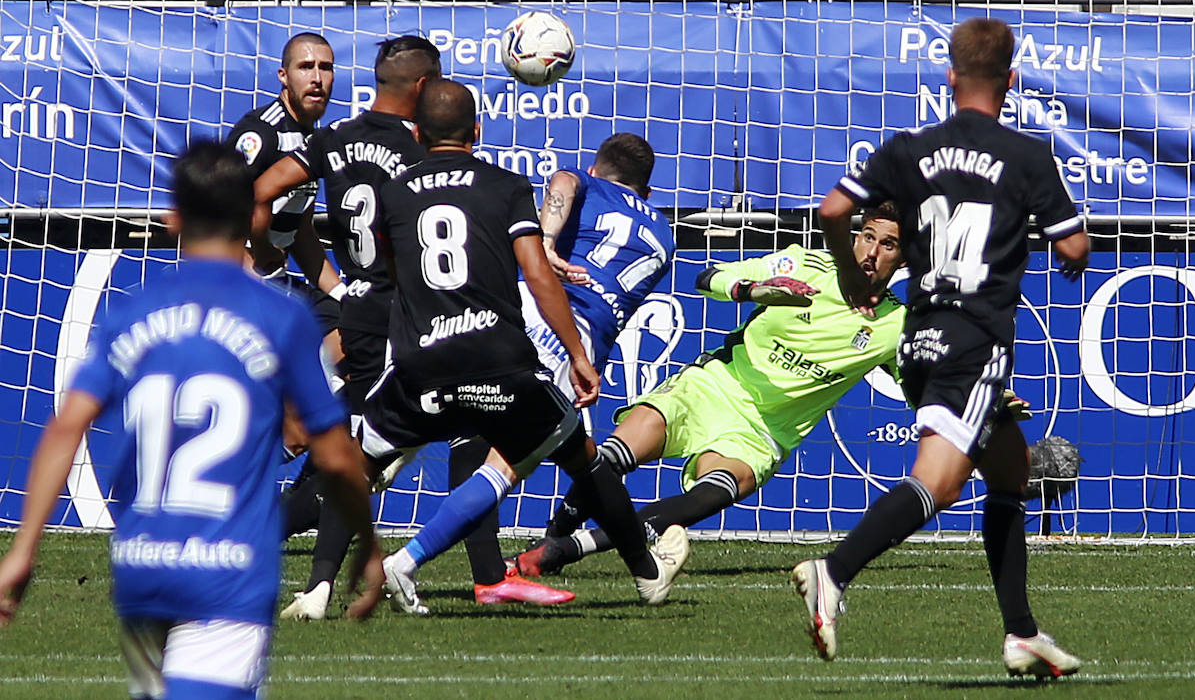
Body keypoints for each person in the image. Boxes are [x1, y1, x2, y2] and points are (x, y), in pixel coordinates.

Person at [0, 141, 383, 700]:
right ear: (253, 217)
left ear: (172, 218)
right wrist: (367, 543)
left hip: (140, 567)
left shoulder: (134, 309)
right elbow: (331, 450)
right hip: (228, 571)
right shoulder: (280, 315)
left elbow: (66, 426)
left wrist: (23, 550)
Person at [792, 17, 1090, 678]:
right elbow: (1073, 246)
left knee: (1009, 474)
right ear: (1011, 81)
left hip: (920, 338)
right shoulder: (1026, 156)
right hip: (975, 338)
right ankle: (832, 572)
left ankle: (1021, 633)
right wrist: (1055, 241)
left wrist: (850, 274)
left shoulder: (906, 150)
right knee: (940, 482)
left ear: (950, 79)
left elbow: (834, 210)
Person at [356, 79, 687, 615]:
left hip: (498, 323)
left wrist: (551, 237)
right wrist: (578, 350)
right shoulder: (664, 236)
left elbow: (562, 181)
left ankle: (645, 572)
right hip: (558, 334)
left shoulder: (582, 181)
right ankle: (415, 561)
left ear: (601, 169)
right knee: (518, 459)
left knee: (564, 454)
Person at [515, 204, 907, 577]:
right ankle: (553, 537)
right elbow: (708, 277)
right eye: (867, 236)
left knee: (710, 495)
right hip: (710, 387)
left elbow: (926, 391)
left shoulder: (897, 326)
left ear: (902, 260)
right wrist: (752, 290)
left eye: (887, 244)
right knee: (612, 457)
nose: (871, 252)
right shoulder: (804, 265)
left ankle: (560, 552)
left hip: (761, 433)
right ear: (853, 238)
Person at [251, 35, 445, 619]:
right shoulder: (418, 152)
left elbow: (259, 192)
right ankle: (315, 580)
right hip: (402, 315)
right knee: (381, 453)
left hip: (357, 309)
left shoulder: (334, 139)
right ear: (421, 87)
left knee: (366, 453)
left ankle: (290, 559)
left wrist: (268, 255)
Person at [227, 31, 344, 361]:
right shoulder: (261, 134)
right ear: (283, 76)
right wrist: (260, 262)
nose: (317, 78)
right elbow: (226, 216)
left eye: (326, 68)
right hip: (241, 281)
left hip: (275, 277)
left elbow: (300, 231)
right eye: (306, 67)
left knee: (349, 336)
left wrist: (341, 293)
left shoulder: (315, 138)